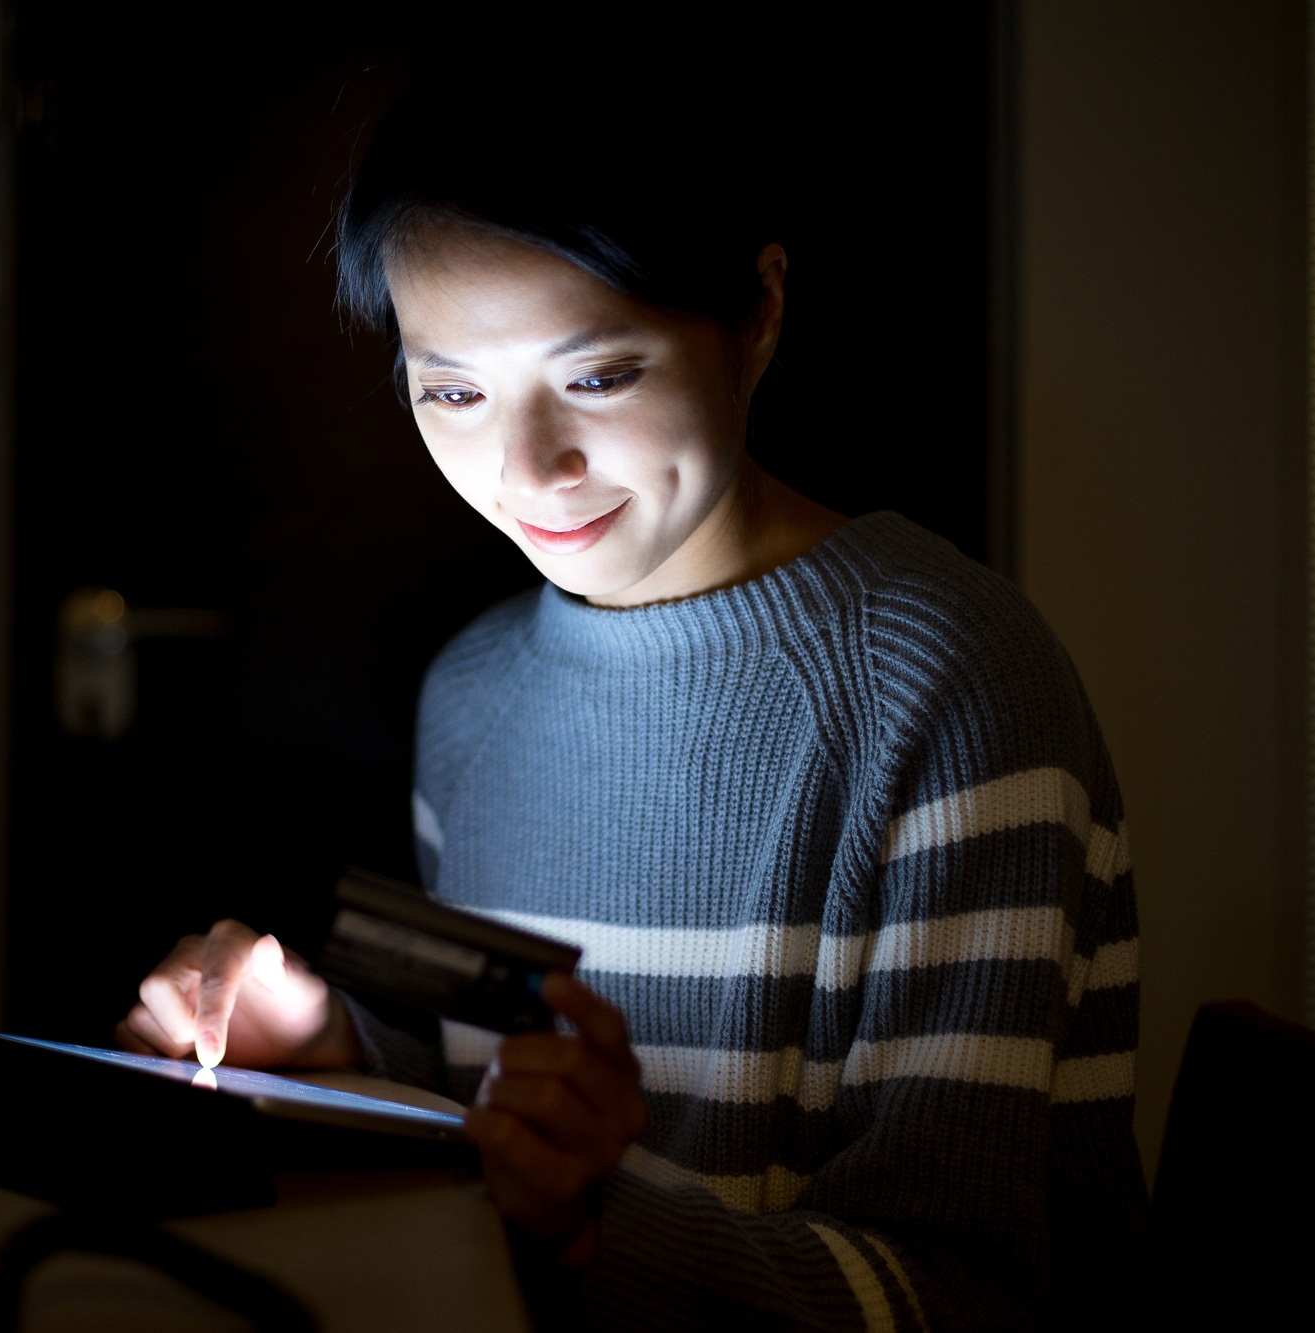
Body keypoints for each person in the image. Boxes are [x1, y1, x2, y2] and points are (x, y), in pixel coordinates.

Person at [115, 58, 1153, 1330]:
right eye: (450, 392)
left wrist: (585, 1232)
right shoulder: (476, 692)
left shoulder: (947, 684)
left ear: (756, 315)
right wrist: (327, 1058)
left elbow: (969, 1294)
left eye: (600, 375)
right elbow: (493, 1101)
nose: (527, 466)